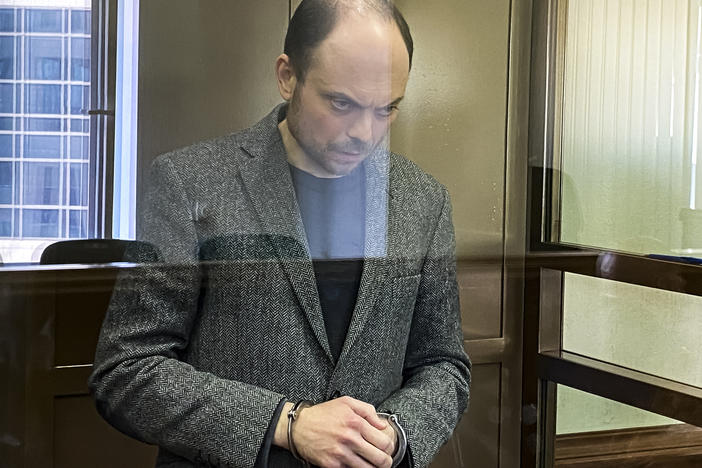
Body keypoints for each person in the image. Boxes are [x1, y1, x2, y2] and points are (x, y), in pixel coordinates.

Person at [89, 1, 471, 467]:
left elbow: (443, 365)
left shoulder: (422, 200)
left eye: (386, 110)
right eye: (341, 103)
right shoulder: (190, 182)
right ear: (288, 76)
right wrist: (286, 423)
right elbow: (125, 371)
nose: (364, 133)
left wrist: (394, 433)